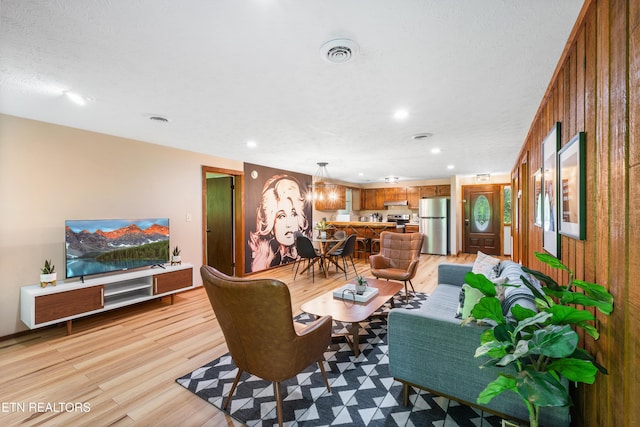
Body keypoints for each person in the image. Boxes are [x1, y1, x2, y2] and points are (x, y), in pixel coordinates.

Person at [248, 174, 310, 272]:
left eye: (294, 214)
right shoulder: (262, 262)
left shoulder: (304, 250)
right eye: (282, 216)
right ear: (271, 223)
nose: (289, 224)